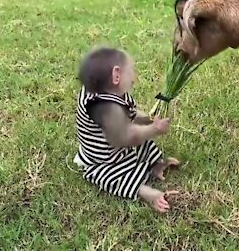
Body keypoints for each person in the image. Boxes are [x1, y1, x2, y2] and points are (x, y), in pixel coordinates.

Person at [73, 46, 179, 213]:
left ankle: (154, 166)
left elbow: (130, 113)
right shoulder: (103, 107)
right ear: (116, 75)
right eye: (131, 71)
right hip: (104, 158)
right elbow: (127, 137)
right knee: (111, 177)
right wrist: (155, 129)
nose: (134, 77)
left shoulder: (108, 90)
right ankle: (145, 192)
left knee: (145, 146)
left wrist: (148, 118)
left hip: (119, 145)